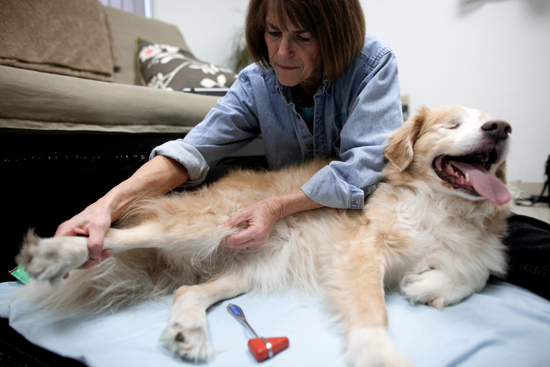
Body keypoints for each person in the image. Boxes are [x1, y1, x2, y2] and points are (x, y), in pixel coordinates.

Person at [55, 0, 403, 270]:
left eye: (303, 37)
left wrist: (278, 205)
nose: (282, 53)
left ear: (335, 35)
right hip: (296, 226)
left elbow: (366, 167)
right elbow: (192, 151)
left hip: (350, 222)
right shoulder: (256, 81)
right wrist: (105, 207)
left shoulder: (374, 64)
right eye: (272, 32)